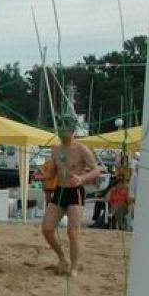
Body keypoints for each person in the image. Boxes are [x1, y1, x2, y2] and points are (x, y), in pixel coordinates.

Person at [40, 117, 100, 275]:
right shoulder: (56, 149)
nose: (60, 131)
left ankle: (74, 267)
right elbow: (52, 172)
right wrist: (41, 176)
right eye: (59, 128)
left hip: (75, 191)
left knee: (73, 232)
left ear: (71, 130)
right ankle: (62, 257)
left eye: (63, 128)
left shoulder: (81, 149)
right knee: (47, 229)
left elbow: (96, 170)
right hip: (60, 190)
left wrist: (82, 178)